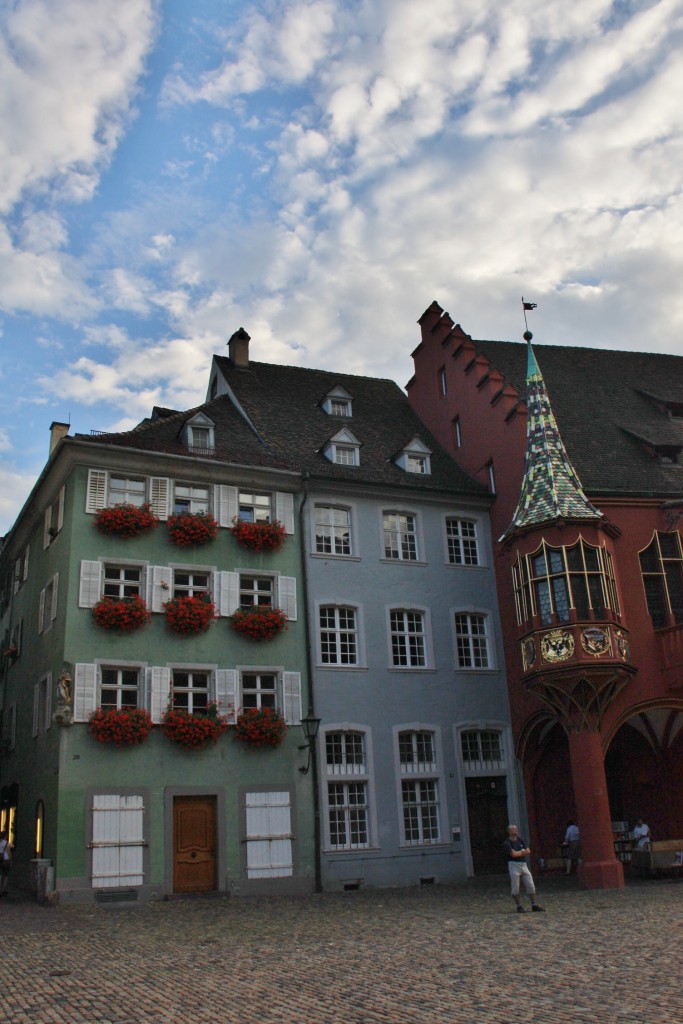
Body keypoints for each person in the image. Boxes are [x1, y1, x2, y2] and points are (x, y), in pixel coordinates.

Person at [503, 824, 545, 913]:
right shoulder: (507, 843)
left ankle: (534, 904)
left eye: (516, 829)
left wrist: (519, 853)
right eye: (514, 829)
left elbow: (528, 851)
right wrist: (522, 852)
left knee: (530, 884)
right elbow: (513, 855)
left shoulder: (520, 840)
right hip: (513, 865)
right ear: (509, 831)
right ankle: (519, 906)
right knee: (515, 887)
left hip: (523, 864)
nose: (516, 830)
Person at [0, 830, 11, 897]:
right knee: (6, 875)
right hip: (5, 860)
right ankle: (3, 889)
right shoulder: (6, 843)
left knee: (0, 875)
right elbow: (9, 853)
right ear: (6, 836)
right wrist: (10, 861)